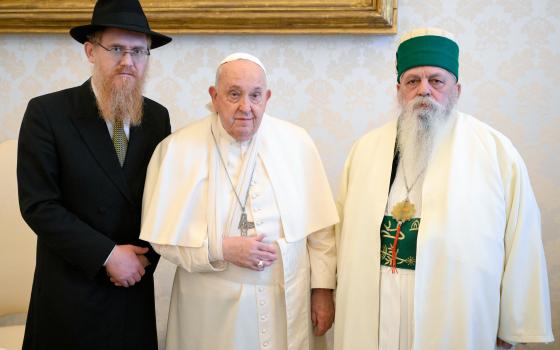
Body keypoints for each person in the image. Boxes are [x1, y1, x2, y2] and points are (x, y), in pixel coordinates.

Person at [334, 28, 553, 350]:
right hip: (377, 297)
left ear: (456, 89)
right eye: (412, 81)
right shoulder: (365, 148)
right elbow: (341, 232)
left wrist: (513, 322)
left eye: (436, 81)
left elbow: (522, 238)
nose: (424, 90)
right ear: (398, 90)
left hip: (456, 308)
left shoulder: (493, 150)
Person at [140, 52, 338, 350]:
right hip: (208, 307)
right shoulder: (178, 148)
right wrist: (222, 248)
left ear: (267, 97)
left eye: (255, 95)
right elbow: (162, 239)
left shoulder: (296, 143)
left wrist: (322, 291)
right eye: (234, 94)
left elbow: (321, 231)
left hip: (284, 301)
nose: (246, 107)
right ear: (214, 96)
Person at [16, 0, 171, 348]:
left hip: (132, 291)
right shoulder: (47, 112)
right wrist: (108, 255)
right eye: (115, 48)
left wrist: (143, 260)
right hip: (71, 294)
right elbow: (39, 205)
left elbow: (164, 199)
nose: (128, 62)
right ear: (90, 51)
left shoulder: (158, 118)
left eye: (138, 51)